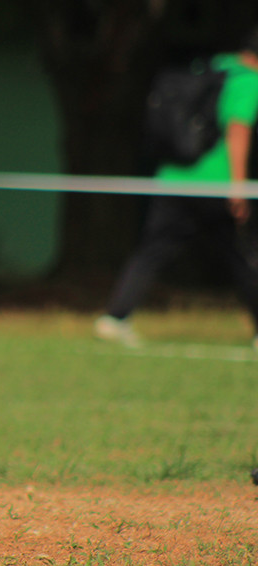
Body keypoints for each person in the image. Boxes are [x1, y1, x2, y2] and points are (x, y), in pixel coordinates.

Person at [96, 29, 258, 348]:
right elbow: (237, 132)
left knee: (152, 250)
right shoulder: (247, 81)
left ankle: (115, 317)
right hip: (215, 183)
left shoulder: (213, 68)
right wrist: (238, 187)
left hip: (173, 177)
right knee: (241, 254)